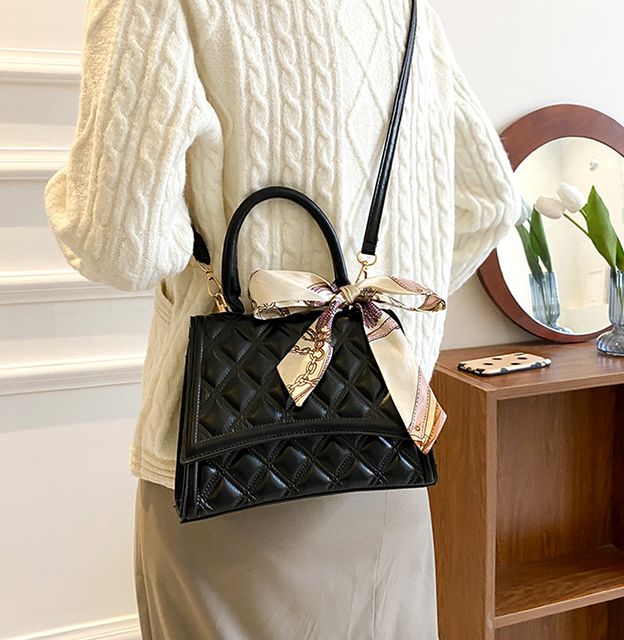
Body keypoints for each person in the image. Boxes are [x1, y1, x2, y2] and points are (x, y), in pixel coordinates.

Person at [44, 0, 521, 637]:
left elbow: (120, 247)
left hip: (226, 453)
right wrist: (367, 322)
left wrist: (69, 195)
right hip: (380, 449)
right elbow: (491, 202)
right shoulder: (405, 10)